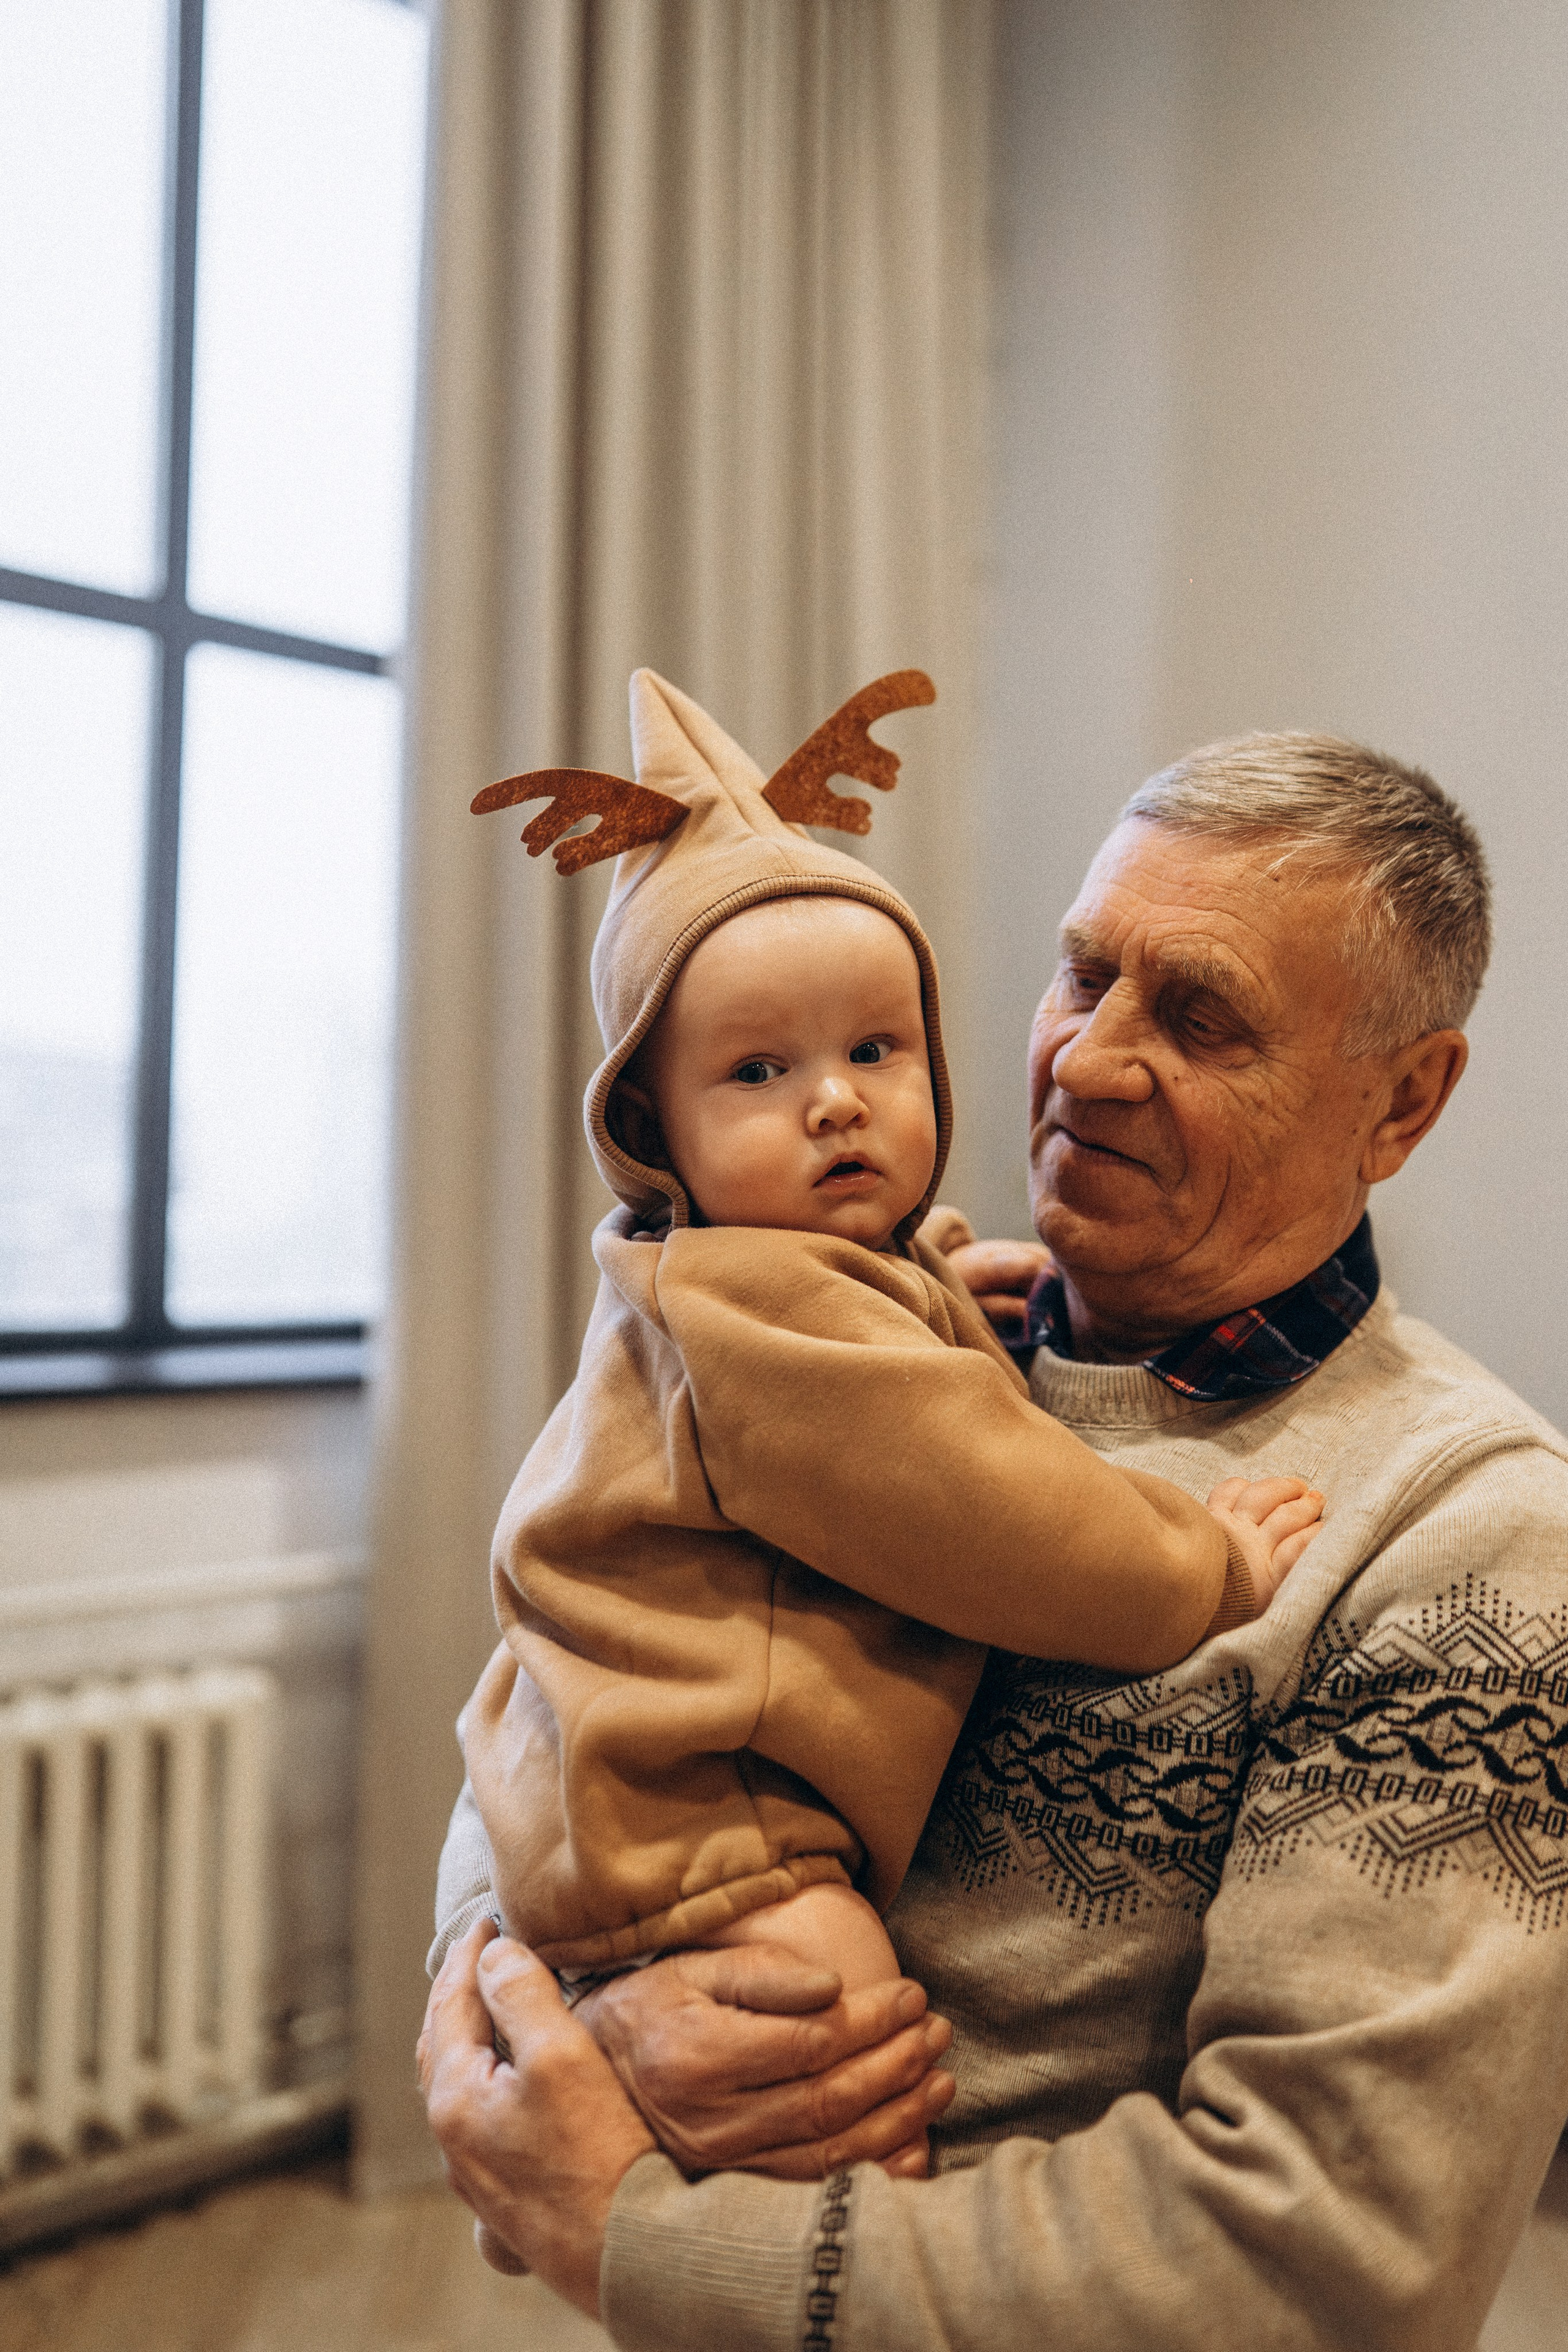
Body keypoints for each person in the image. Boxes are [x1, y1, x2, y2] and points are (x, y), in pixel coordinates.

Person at [420, 729, 1568, 2350]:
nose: (1086, 1062)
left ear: (1403, 1101)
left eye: (1201, 1017)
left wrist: (641, 2234)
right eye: (1081, 974)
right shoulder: (854, 1342)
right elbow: (564, 1670)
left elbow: (1323, 2260)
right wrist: (542, 1988)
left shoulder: (1477, 1540)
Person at [443, 666, 1313, 2142]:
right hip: (717, 1839)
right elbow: (998, 1511)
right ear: (650, 1126)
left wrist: (937, 1282)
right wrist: (1204, 1564)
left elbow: (852, 1345)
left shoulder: (754, 1279)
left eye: (873, 1049)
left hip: (628, 1799)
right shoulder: (769, 1327)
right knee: (842, 2070)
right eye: (756, 1070)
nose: (834, 1102)